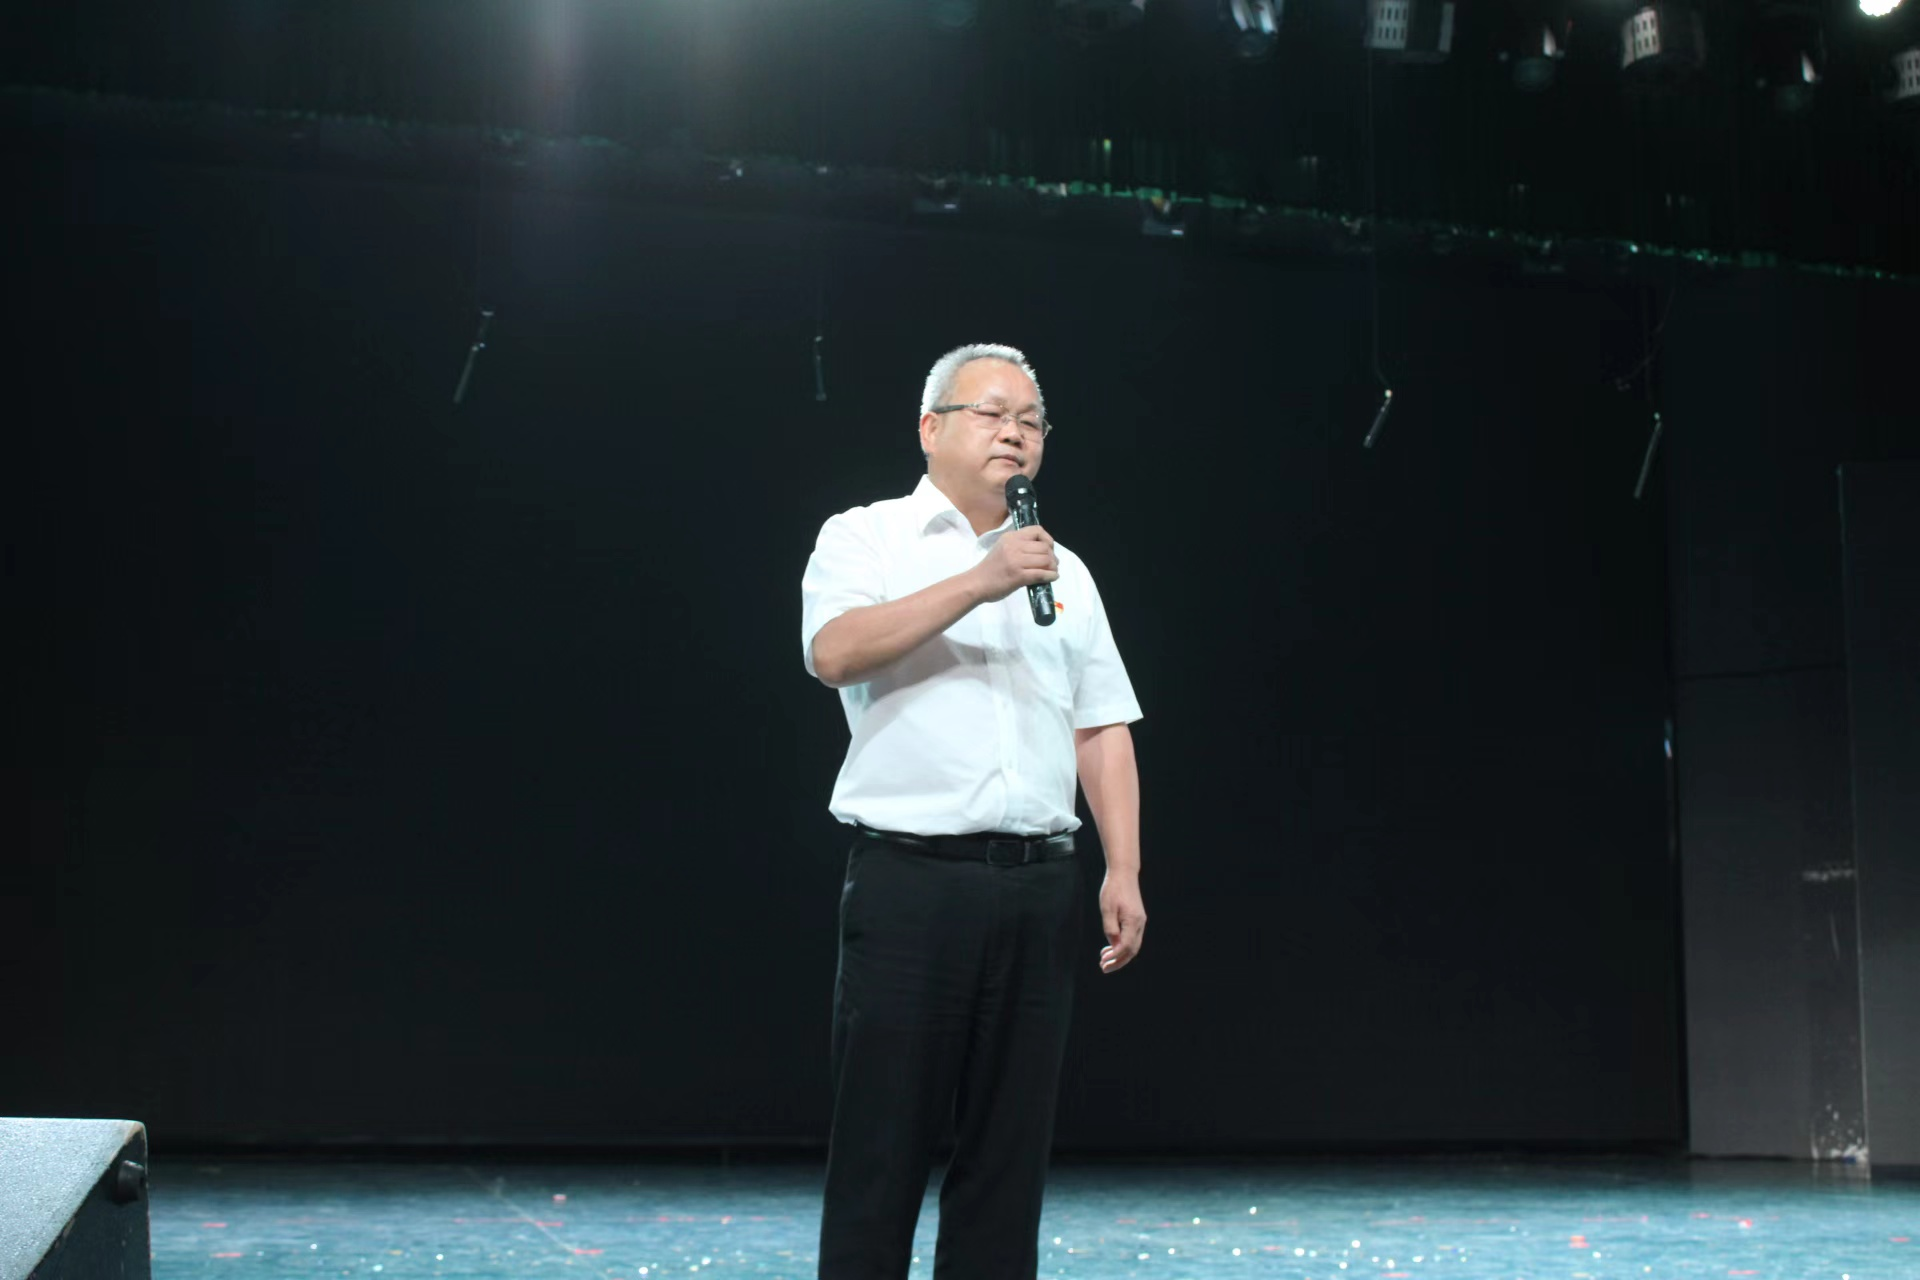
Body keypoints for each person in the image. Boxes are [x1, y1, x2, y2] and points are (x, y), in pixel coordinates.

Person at [800, 342, 1146, 1279]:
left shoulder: (1066, 570)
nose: (1014, 434)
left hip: (1038, 890)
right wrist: (980, 580)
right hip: (912, 886)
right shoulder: (866, 536)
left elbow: (1102, 724)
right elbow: (834, 652)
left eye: (1031, 421)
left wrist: (1123, 867)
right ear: (931, 428)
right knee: (881, 1153)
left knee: (1008, 1160)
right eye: (992, 413)